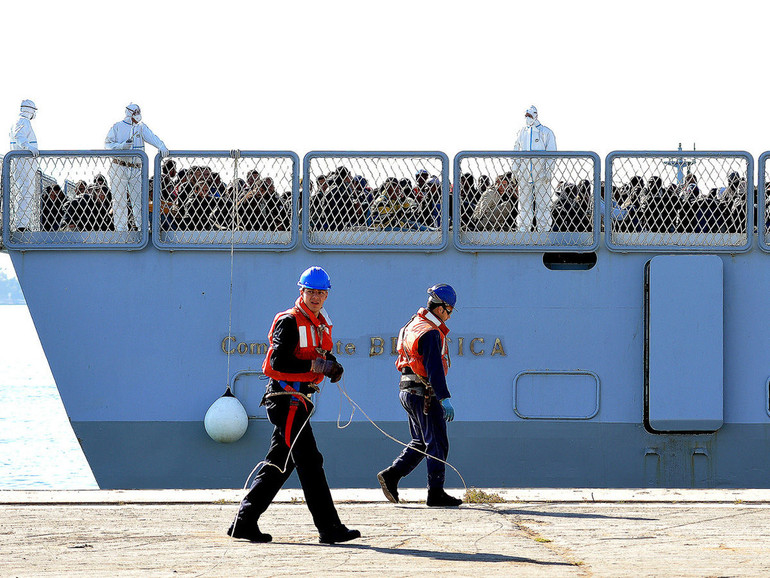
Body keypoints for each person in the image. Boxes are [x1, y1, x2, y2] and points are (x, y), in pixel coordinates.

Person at [228, 267, 360, 544]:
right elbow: (277, 363)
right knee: (310, 462)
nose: (315, 297)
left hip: (298, 401)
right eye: (310, 292)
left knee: (281, 462)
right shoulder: (289, 321)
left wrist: (332, 366)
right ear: (301, 291)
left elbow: (320, 354)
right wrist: (318, 365)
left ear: (326, 295)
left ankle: (244, 522)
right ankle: (329, 528)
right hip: (286, 400)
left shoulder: (319, 322)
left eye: (320, 293)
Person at [377, 284, 462, 508]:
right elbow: (434, 368)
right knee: (437, 443)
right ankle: (436, 493)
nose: (450, 314)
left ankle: (391, 475)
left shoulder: (412, 325)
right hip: (424, 395)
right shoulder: (431, 332)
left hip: (407, 391)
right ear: (441, 308)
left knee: (421, 441)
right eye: (450, 309)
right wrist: (444, 399)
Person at [105, 103, 169, 232]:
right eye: (135, 112)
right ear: (129, 113)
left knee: (139, 200)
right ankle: (121, 230)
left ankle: (143, 228)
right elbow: (108, 145)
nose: (138, 115)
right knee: (119, 200)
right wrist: (121, 146)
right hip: (119, 165)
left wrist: (161, 146)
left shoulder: (140, 127)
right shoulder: (117, 127)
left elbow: (152, 136)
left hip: (136, 168)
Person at [514, 105, 557, 232]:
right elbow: (516, 150)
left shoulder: (546, 132)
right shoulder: (521, 132)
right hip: (524, 173)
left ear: (536, 116)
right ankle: (523, 229)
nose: (528, 118)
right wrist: (515, 169)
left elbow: (551, 153)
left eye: (530, 116)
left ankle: (543, 229)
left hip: (541, 174)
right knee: (524, 203)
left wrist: (549, 171)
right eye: (526, 116)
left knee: (543, 203)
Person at [9, 99, 39, 231]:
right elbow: (19, 136)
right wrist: (28, 147)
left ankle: (22, 224)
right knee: (25, 192)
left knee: (26, 192)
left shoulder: (20, 121)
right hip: (23, 162)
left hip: (24, 162)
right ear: (31, 110)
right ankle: (21, 225)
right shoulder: (23, 121)